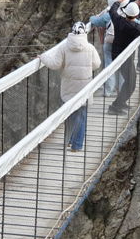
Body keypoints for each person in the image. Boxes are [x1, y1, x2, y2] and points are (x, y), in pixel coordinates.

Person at [39, 21, 101, 152]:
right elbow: (97, 64)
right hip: (85, 86)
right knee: (82, 115)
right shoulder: (90, 48)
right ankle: (77, 145)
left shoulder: (64, 47)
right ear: (85, 32)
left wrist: (43, 57)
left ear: (72, 32)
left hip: (69, 86)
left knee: (69, 113)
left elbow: (55, 64)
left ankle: (69, 140)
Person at [107, 0, 140, 116]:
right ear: (136, 15)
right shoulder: (135, 28)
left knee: (129, 81)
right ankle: (115, 106)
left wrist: (118, 2)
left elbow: (112, 11)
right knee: (131, 83)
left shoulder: (118, 20)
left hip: (117, 54)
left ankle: (120, 103)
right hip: (125, 58)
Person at [89, 0, 127, 97]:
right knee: (121, 65)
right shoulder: (126, 13)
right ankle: (121, 90)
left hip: (109, 41)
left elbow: (95, 21)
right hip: (122, 42)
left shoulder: (108, 15)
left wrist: (94, 16)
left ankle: (109, 91)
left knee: (109, 66)